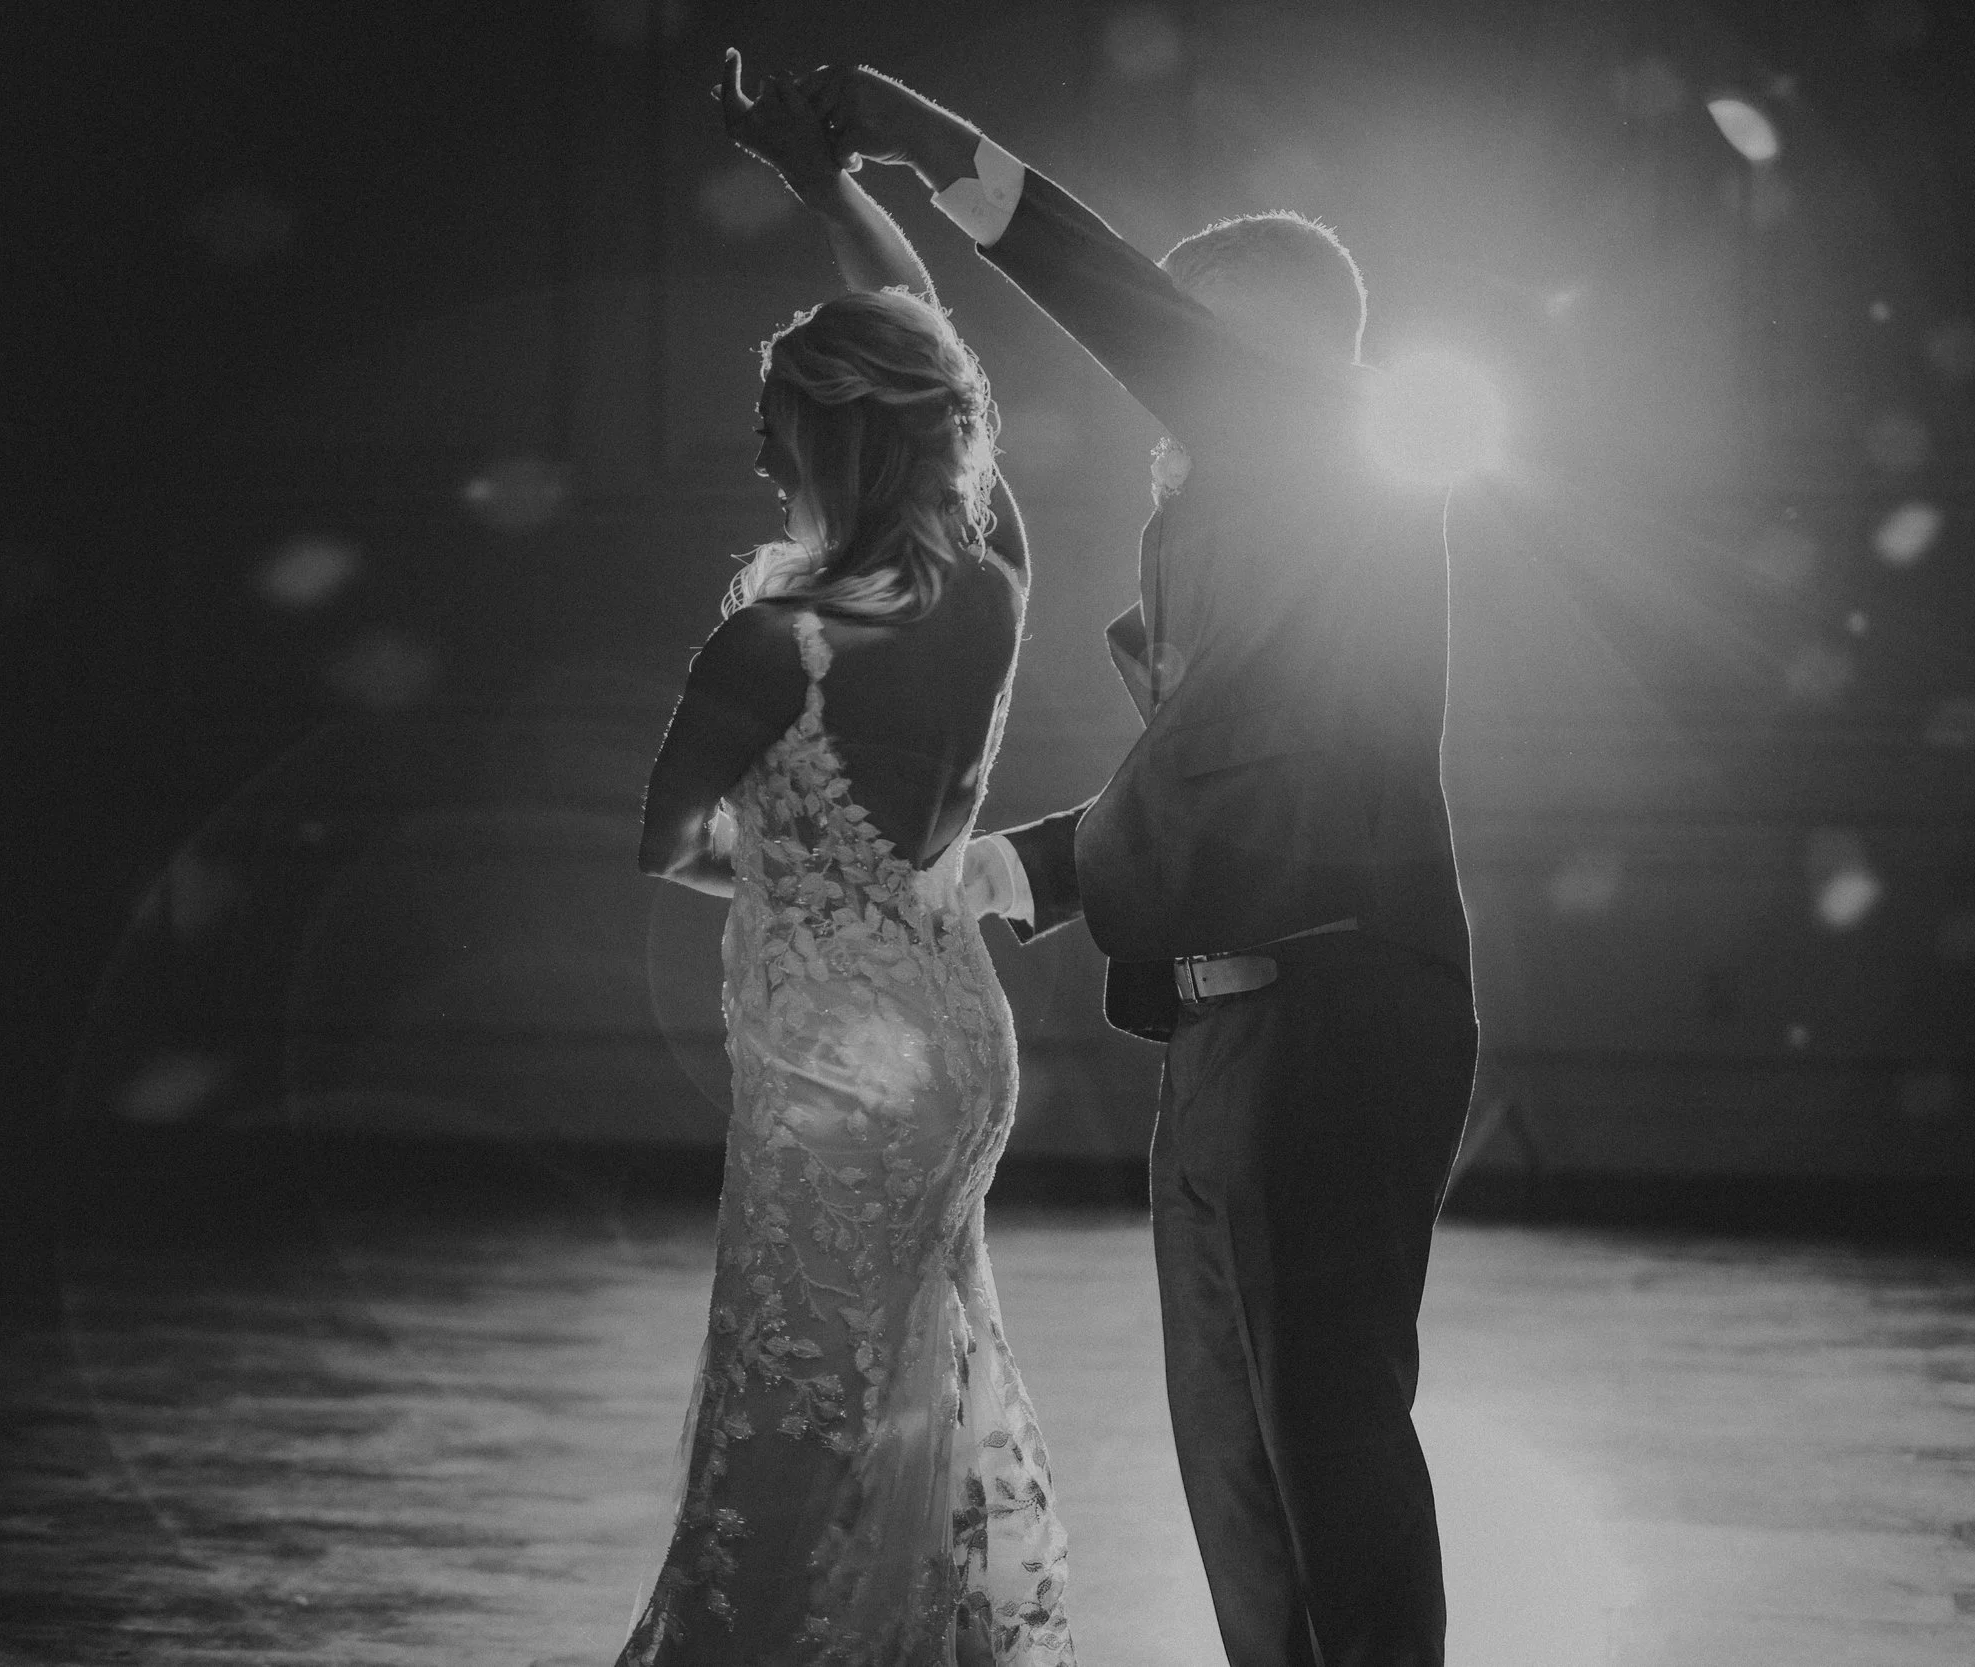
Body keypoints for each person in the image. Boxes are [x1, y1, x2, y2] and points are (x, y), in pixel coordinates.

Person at [808, 64, 1481, 1667]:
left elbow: (1104, 292)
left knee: (1328, 1451)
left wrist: (926, 139)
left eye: (1193, 333)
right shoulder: (1252, 531)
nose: (1159, 367)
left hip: (1329, 1021)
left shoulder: (1330, 446)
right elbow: (1213, 773)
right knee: (1236, 1475)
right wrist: (1022, 870)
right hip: (1226, 1031)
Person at [623, 56, 1073, 1667]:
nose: (761, 462)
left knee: (794, 1396)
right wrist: (829, 190)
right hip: (955, 1038)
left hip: (831, 1063)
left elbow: (665, 838)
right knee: (906, 1377)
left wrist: (797, 877)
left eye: (776, 431)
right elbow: (931, 348)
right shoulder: (996, 583)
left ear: (834, 441)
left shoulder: (769, 644)